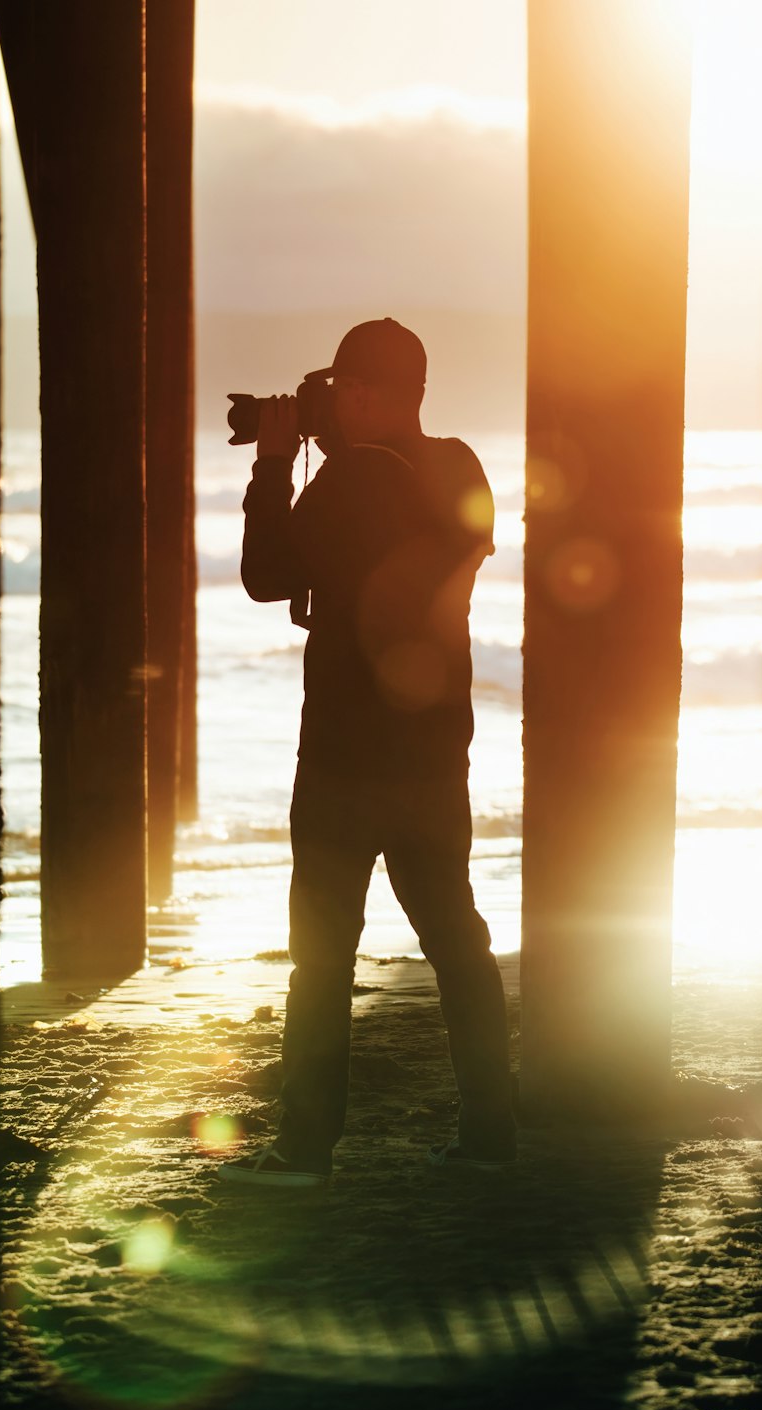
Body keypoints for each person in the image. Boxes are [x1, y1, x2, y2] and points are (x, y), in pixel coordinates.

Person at [218, 318, 517, 1188]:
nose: (338, 402)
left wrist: (277, 463)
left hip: (346, 755)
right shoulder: (460, 467)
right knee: (456, 936)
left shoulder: (346, 479)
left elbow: (267, 574)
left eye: (352, 389)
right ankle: (491, 1134)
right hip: (433, 748)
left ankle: (306, 1149)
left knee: (323, 951)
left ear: (392, 396)